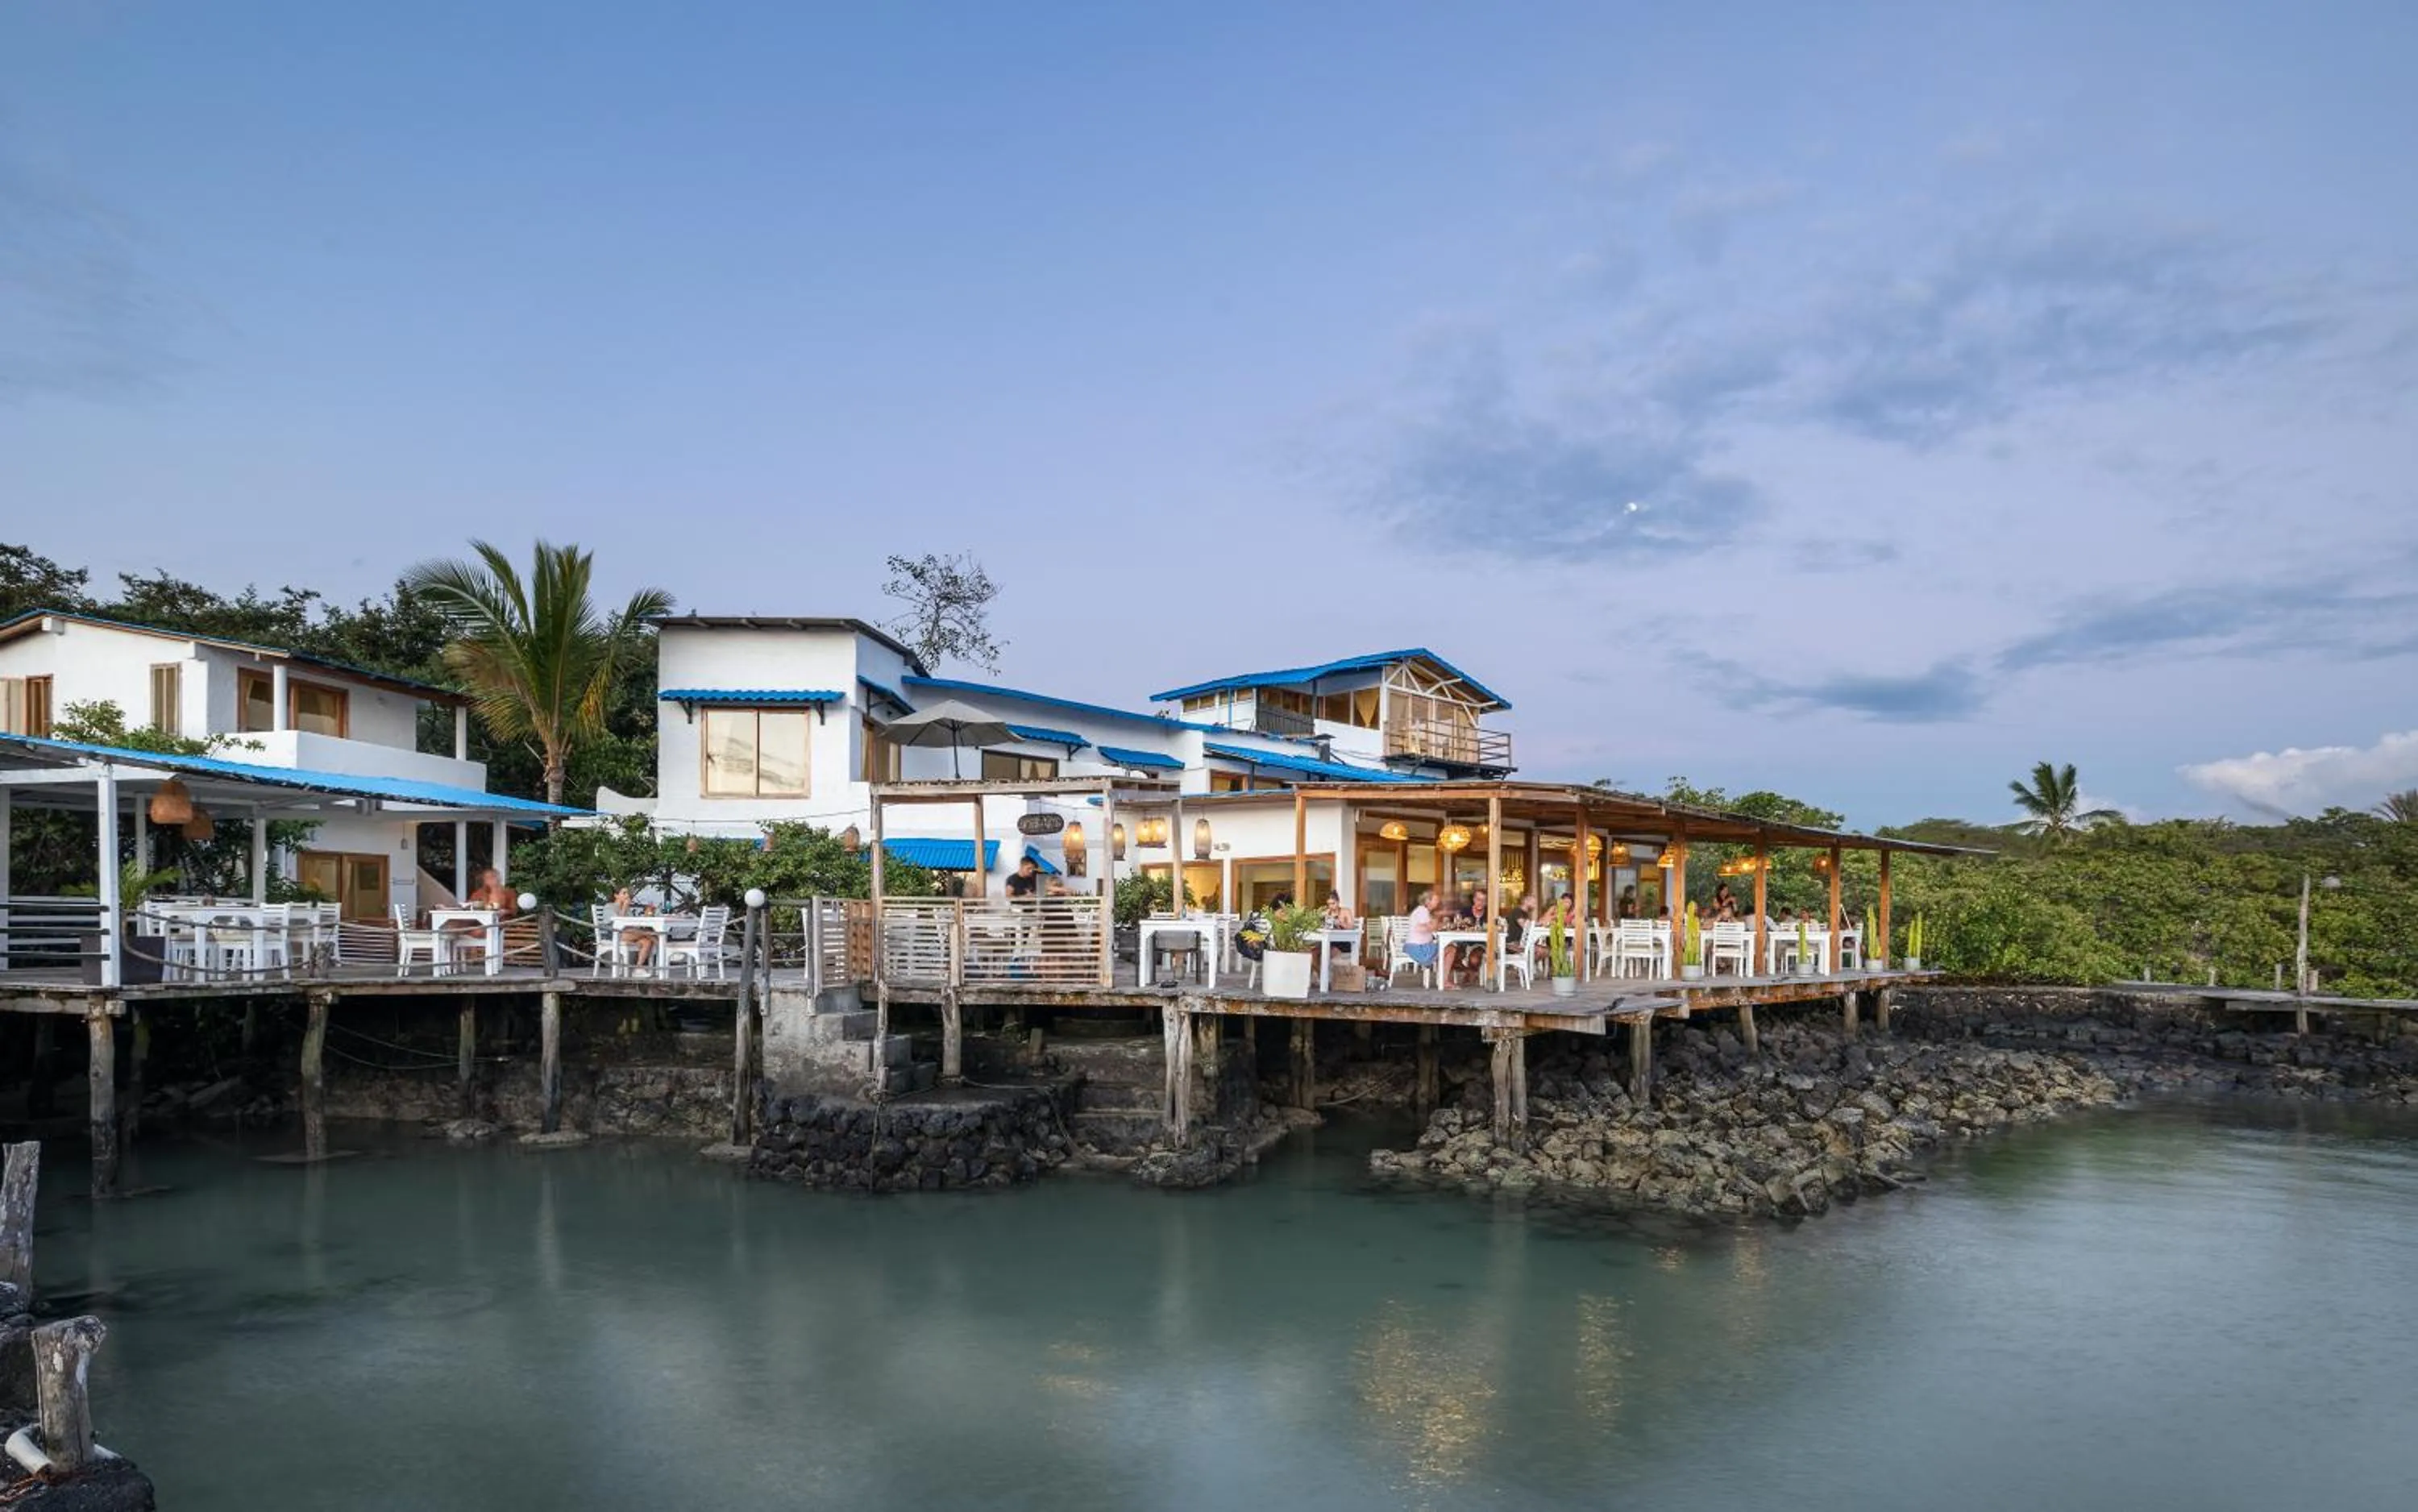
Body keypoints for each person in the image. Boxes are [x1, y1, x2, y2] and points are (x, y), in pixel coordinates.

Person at [608, 885, 657, 972]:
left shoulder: (628, 909)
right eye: (624, 893)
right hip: (615, 935)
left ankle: (638, 969)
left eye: (628, 893)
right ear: (616, 895)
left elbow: (633, 924)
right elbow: (619, 923)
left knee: (647, 941)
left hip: (629, 934)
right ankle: (664, 946)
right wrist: (625, 908)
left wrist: (646, 916)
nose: (627, 896)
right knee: (648, 934)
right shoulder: (609, 907)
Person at [1404, 889, 1440, 977]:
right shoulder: (1422, 911)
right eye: (1436, 900)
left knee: (1446, 948)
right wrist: (1436, 924)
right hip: (1418, 949)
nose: (1438, 902)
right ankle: (1443, 979)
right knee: (1448, 948)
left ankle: (1442, 978)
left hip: (1418, 946)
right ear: (1428, 901)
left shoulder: (1423, 911)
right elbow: (1423, 928)